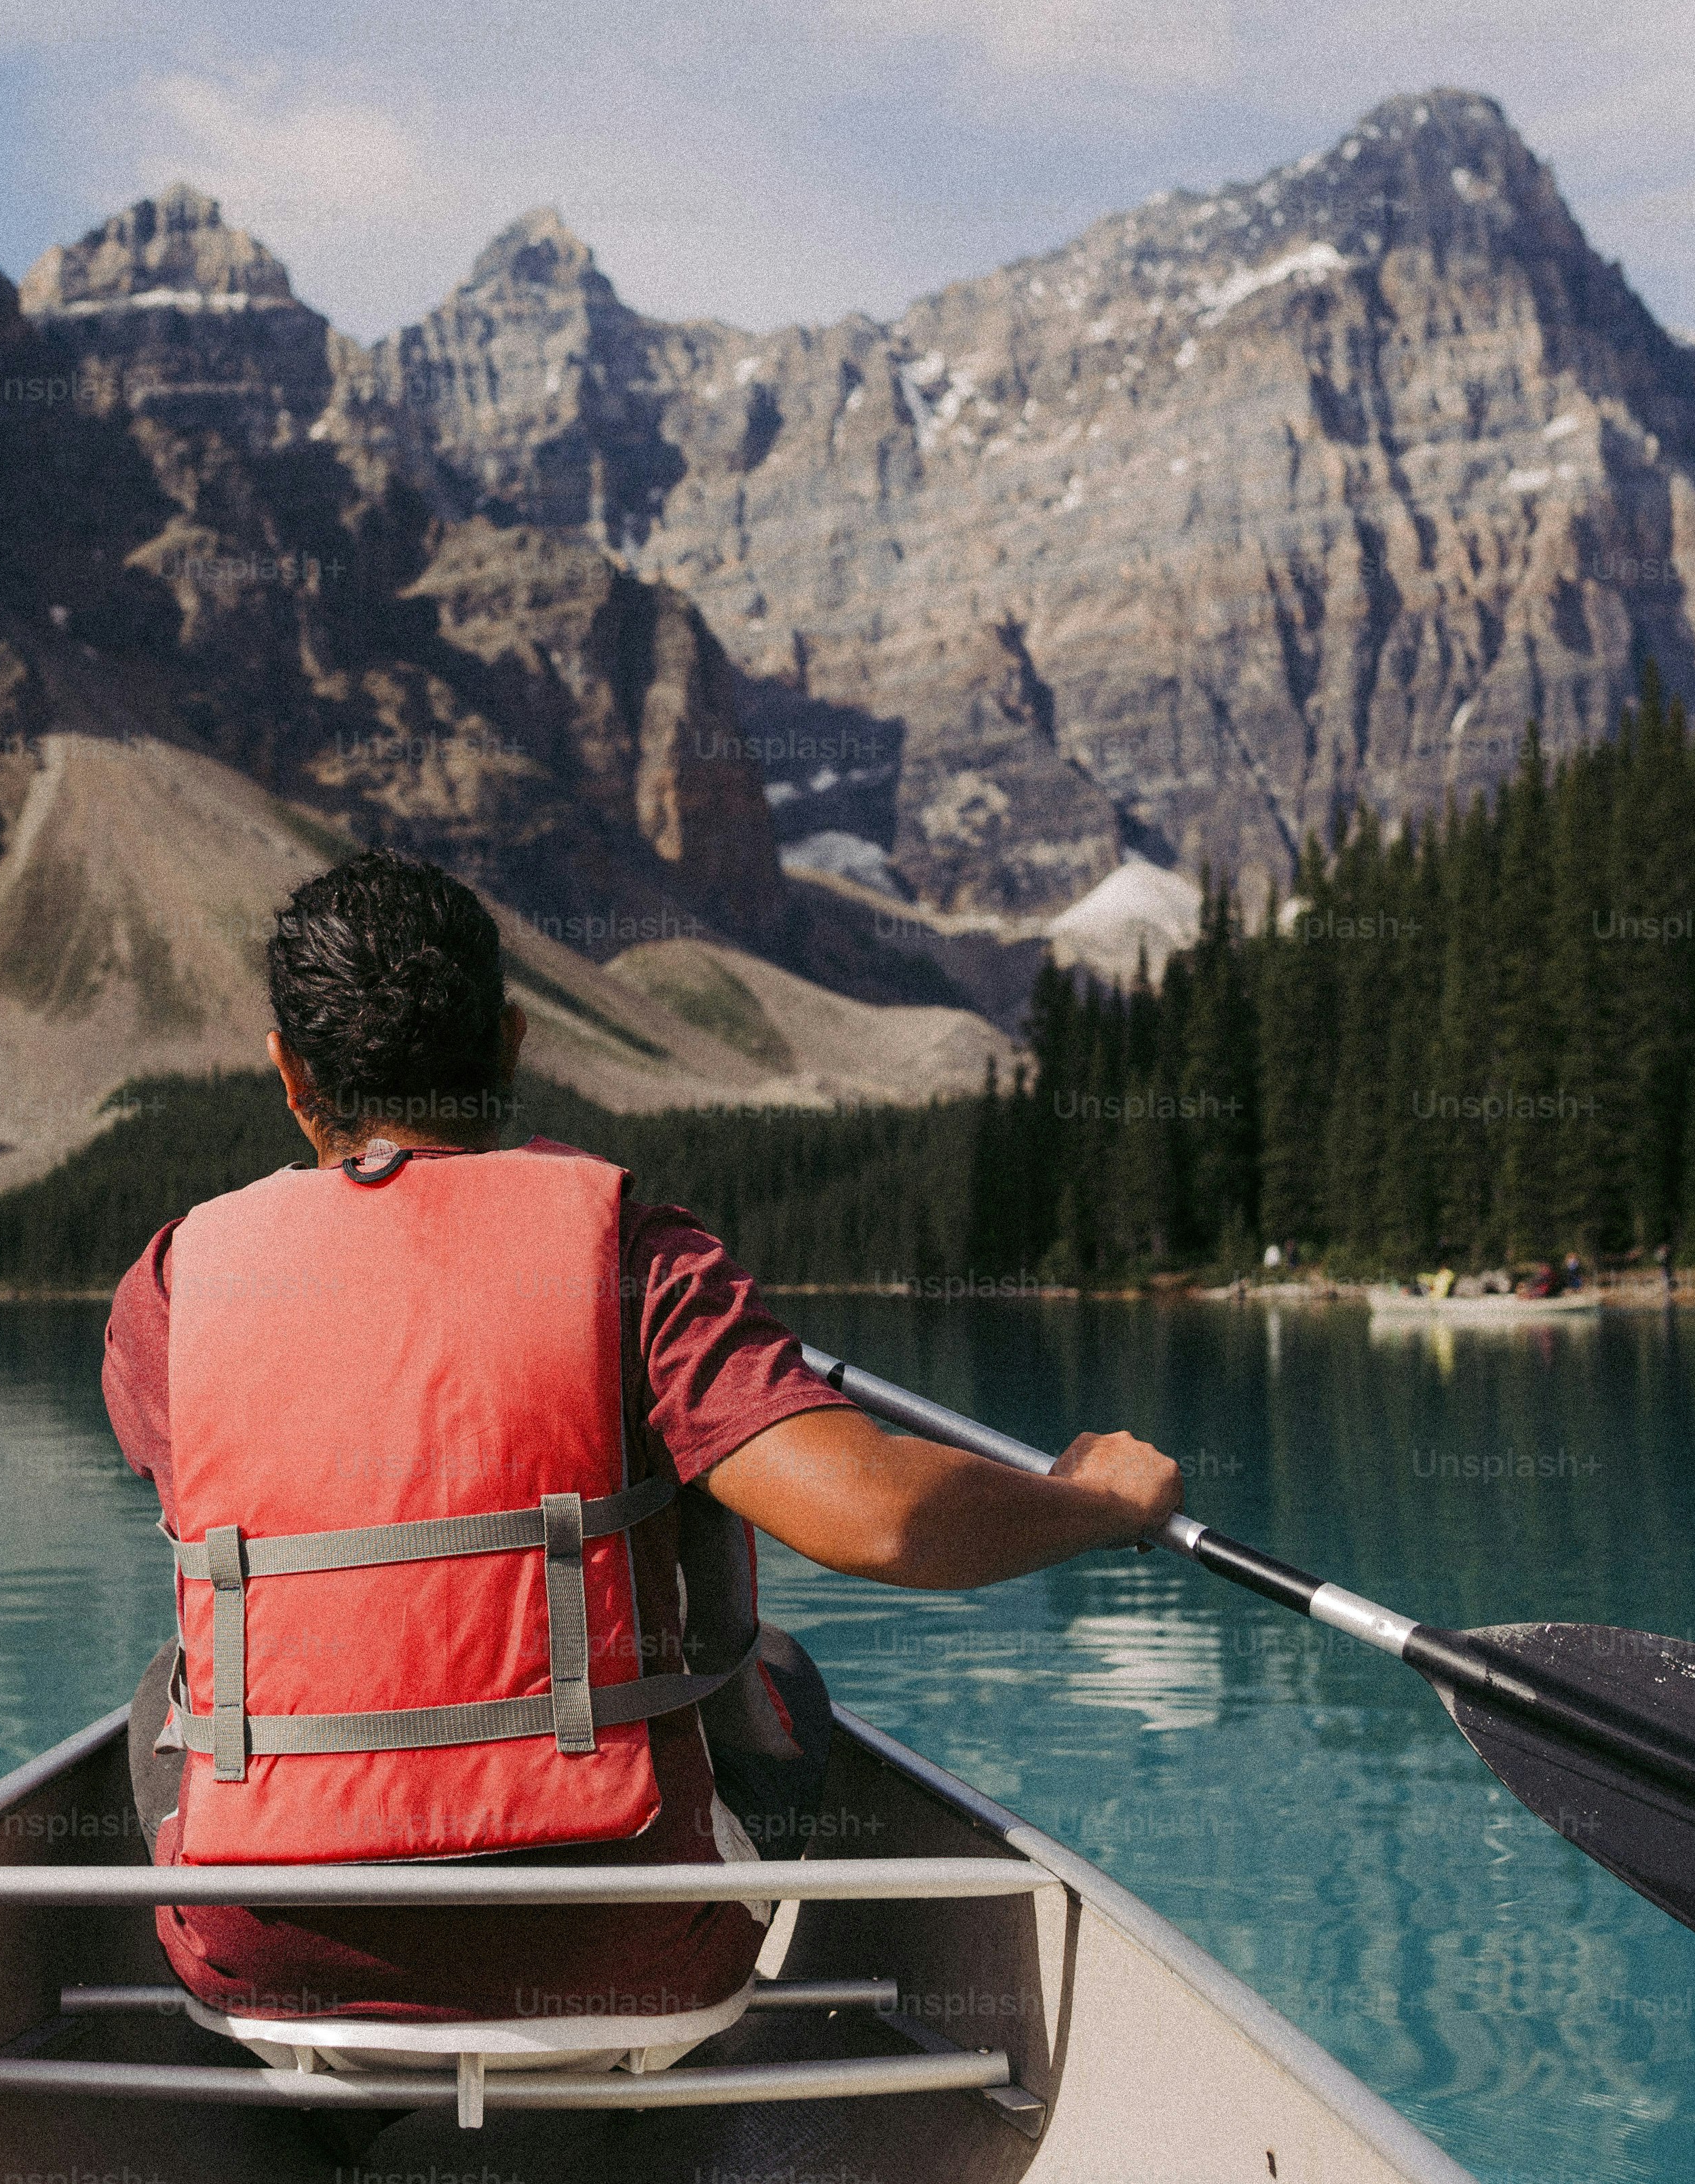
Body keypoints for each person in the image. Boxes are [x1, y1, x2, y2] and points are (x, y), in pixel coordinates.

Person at [99, 850, 1180, 2025]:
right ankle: (627, 2087)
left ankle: (319, 2090)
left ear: (287, 1072)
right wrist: (1097, 1502)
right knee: (781, 1676)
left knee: (170, 1683)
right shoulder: (638, 1255)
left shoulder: (172, 1288)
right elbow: (880, 1520)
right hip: (628, 1951)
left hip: (265, 1956)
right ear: (512, 1041)